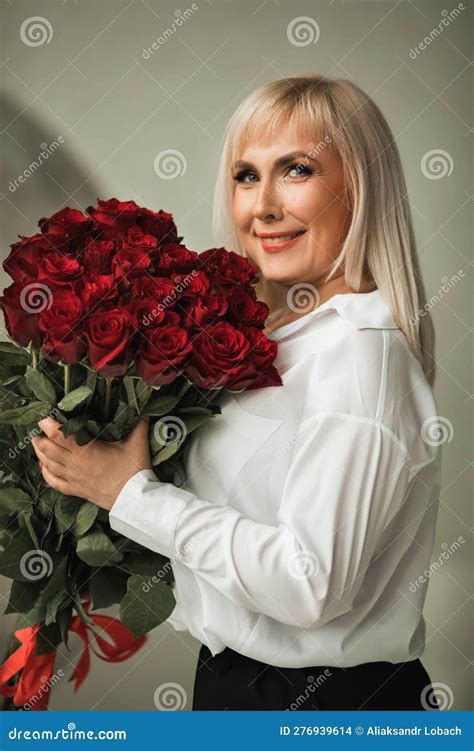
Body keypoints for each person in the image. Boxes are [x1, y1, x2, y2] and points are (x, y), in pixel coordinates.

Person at [32, 75, 443, 711]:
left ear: (361, 189)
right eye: (246, 175)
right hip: (237, 686)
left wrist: (128, 494)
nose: (262, 206)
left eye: (297, 170)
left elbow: (309, 584)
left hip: (326, 706)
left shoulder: (361, 356)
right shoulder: (289, 338)